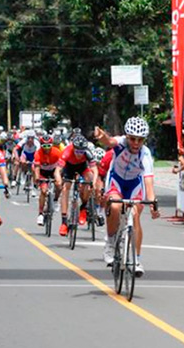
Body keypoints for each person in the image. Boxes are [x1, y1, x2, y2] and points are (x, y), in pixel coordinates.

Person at [94, 117, 160, 277]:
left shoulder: (145, 153)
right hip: (116, 180)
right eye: (132, 139)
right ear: (127, 136)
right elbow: (109, 142)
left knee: (135, 215)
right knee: (115, 206)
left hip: (133, 184)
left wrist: (152, 203)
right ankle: (110, 242)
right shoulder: (121, 142)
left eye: (140, 140)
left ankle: (136, 259)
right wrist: (101, 137)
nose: (136, 143)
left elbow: (148, 180)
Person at [54, 134, 98, 236]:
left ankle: (84, 207)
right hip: (69, 168)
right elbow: (57, 170)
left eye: (81, 152)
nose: (79, 154)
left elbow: (95, 170)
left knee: (89, 179)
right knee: (65, 188)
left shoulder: (88, 153)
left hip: (82, 167)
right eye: (77, 151)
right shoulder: (66, 152)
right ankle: (64, 222)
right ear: (73, 148)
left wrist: (94, 182)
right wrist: (59, 180)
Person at [33, 134, 62, 226]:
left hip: (54, 171)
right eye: (44, 146)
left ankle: (56, 199)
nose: (46, 148)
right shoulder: (38, 153)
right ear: (41, 146)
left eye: (48, 146)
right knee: (44, 191)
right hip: (42, 172)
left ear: (52, 145)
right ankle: (40, 214)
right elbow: (37, 168)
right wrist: (37, 179)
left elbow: (62, 165)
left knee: (58, 185)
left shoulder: (57, 152)